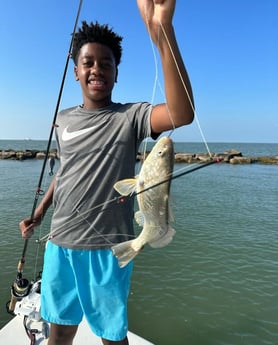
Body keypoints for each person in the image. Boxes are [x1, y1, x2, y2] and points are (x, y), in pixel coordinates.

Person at [19, 1, 194, 344]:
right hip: (60, 243)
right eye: (88, 62)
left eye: (106, 63)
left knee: (112, 336)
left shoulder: (130, 117)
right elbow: (65, 170)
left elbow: (180, 112)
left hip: (108, 249)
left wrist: (164, 33)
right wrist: (40, 213)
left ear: (117, 72)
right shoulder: (63, 120)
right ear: (75, 70)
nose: (96, 69)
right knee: (59, 331)